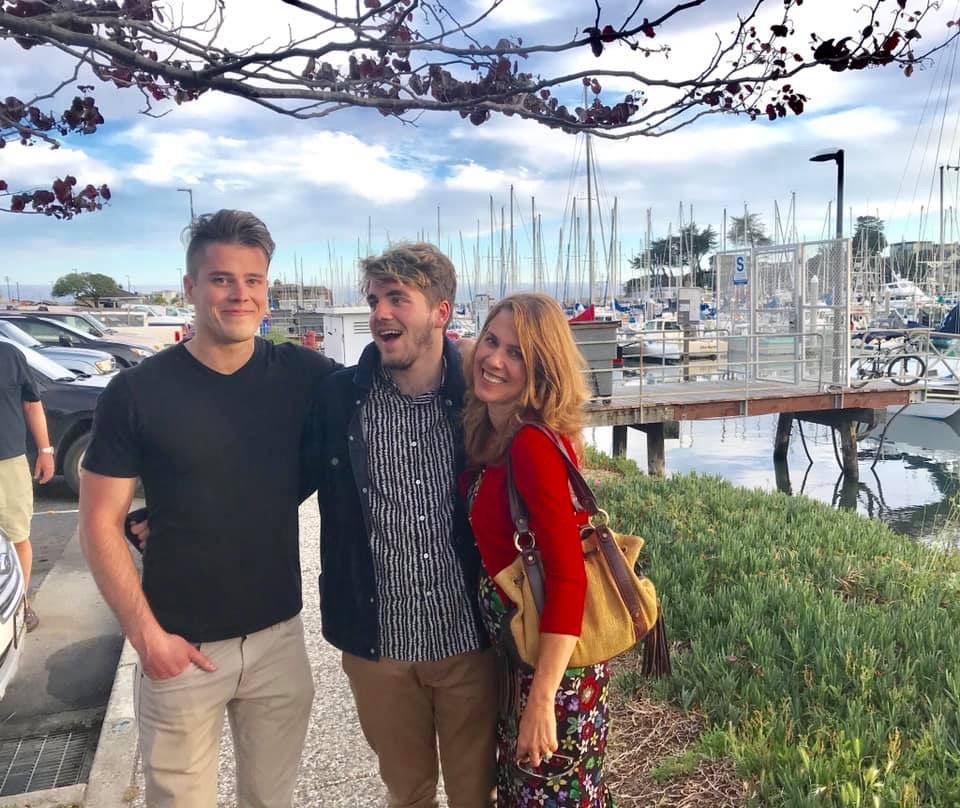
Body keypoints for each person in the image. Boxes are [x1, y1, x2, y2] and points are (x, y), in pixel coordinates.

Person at [78, 209, 338, 808]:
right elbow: (97, 524)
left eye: (253, 280)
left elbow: (380, 392)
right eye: (222, 279)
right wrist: (147, 639)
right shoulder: (136, 392)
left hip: (278, 642)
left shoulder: (303, 375)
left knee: (272, 800)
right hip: (180, 647)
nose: (240, 294)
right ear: (190, 287)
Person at [304, 243, 498, 808]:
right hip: (378, 649)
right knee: (407, 794)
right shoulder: (339, 399)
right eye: (374, 300)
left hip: (469, 644)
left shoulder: (480, 399)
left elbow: (547, 436)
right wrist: (173, 516)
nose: (380, 313)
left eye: (397, 298)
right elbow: (277, 479)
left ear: (440, 311)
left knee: (475, 796)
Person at [462, 292, 616, 807]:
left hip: (552, 674)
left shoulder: (531, 444)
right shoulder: (495, 430)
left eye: (517, 353)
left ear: (541, 367)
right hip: (521, 659)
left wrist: (542, 699)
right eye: (490, 341)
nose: (494, 359)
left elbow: (569, 576)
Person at [0, 340, 54, 632]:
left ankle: (19, 605)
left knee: (17, 534)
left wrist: (45, 451)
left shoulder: (9, 355)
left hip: (8, 463)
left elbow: (32, 404)